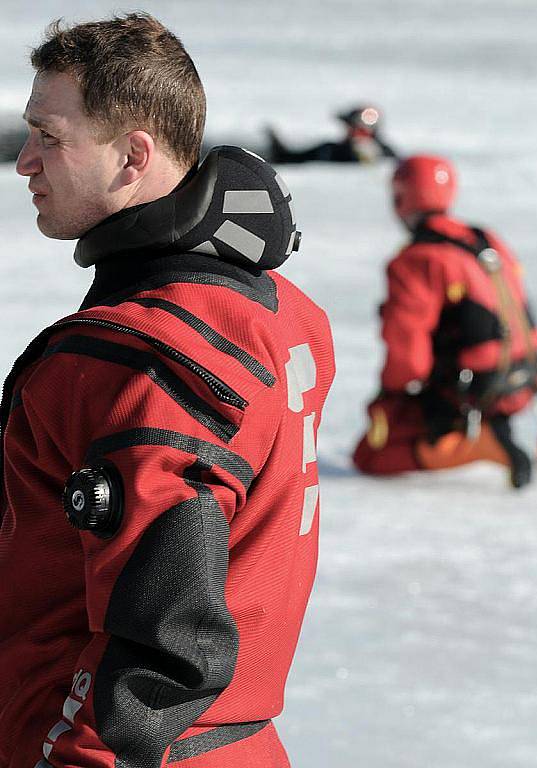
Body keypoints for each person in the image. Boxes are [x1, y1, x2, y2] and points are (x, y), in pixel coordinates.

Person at [0, 14, 334, 768]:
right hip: (239, 743)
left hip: (102, 748)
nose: (24, 162)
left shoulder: (137, 358)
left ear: (132, 156)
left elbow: (162, 652)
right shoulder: (281, 314)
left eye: (48, 137)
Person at [353, 154, 537, 488]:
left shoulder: (417, 260)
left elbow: (407, 349)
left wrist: (391, 396)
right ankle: (490, 431)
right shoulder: (485, 239)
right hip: (522, 380)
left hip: (469, 390)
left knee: (370, 455)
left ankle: (481, 444)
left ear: (401, 196)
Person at [267, 105, 398, 164]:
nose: (350, 132)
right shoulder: (329, 150)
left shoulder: (385, 154)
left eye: (354, 128)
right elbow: (290, 159)